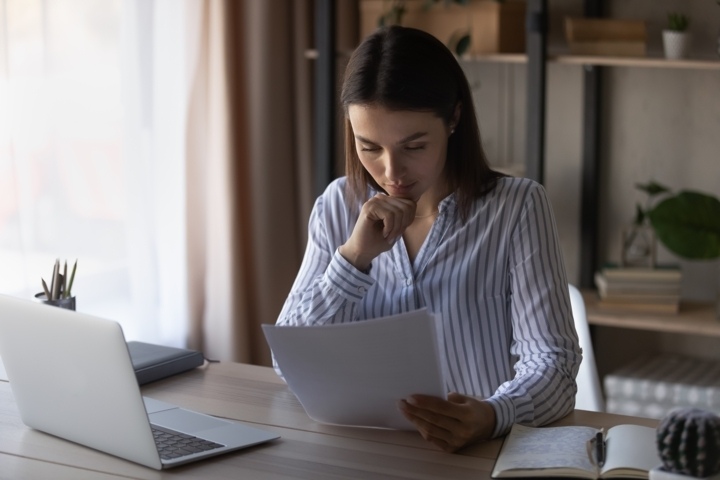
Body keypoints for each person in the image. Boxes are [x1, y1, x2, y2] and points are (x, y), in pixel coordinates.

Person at [274, 25, 581, 452]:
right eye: (369, 147)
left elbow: (555, 365)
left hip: (481, 456)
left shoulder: (518, 208)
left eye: (414, 146)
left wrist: (492, 414)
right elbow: (289, 361)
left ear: (454, 118)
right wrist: (353, 258)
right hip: (363, 456)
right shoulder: (336, 208)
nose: (391, 171)